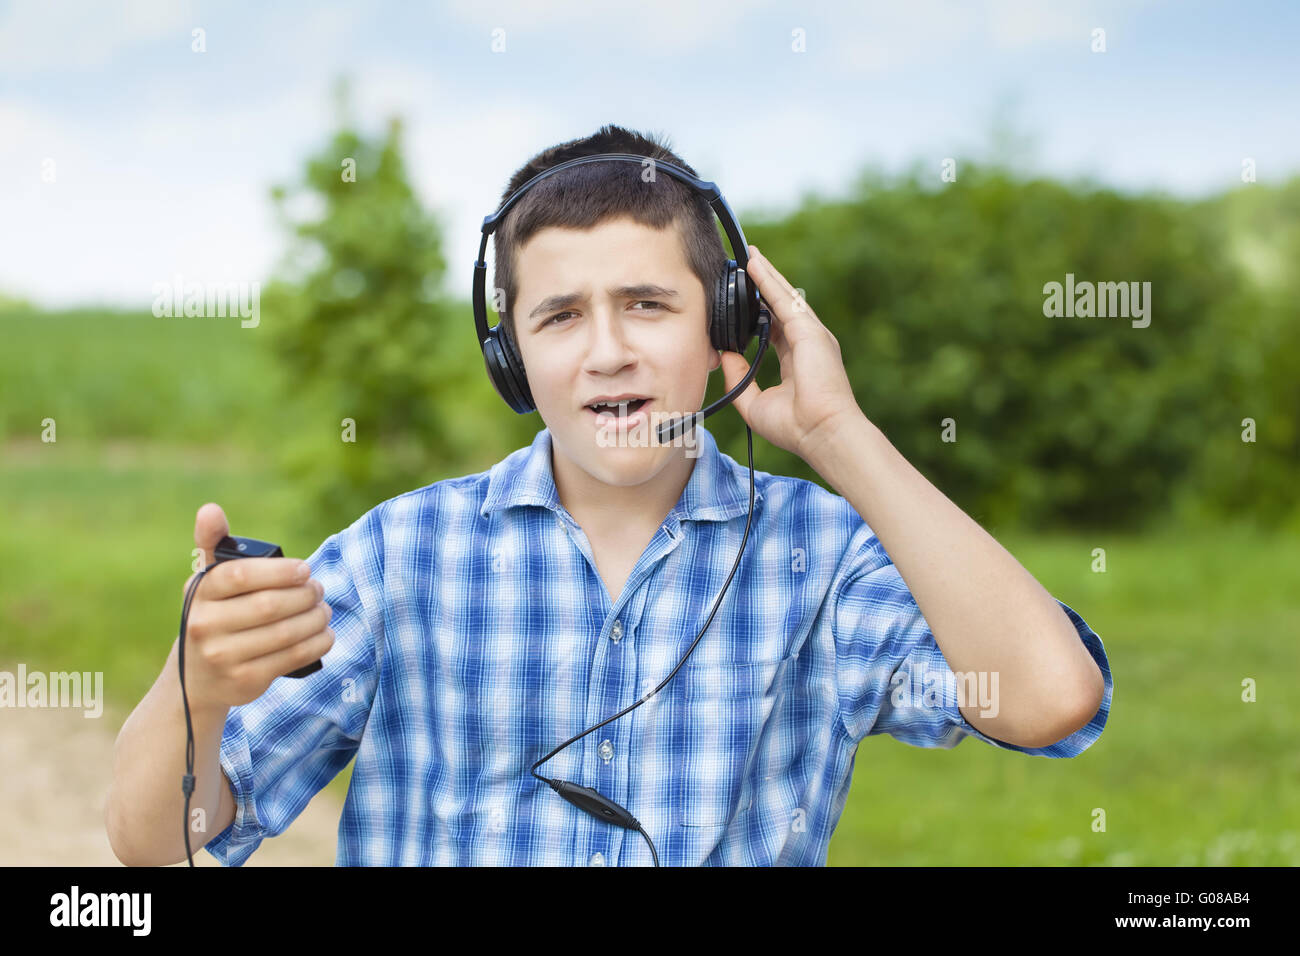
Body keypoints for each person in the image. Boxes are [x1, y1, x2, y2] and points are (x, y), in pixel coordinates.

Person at [105, 124, 1111, 867]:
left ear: (728, 323)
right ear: (511, 360)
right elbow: (157, 846)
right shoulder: (396, 555)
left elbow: (1049, 698)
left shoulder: (822, 557)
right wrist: (189, 690)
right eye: (558, 316)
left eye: (646, 303)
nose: (608, 351)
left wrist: (842, 440)